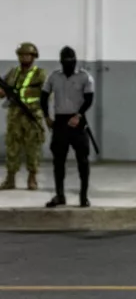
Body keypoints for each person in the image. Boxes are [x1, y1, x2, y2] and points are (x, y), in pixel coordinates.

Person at [40, 46, 95, 208]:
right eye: (65, 61)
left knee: (83, 161)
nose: (69, 63)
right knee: (58, 161)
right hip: (60, 122)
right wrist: (46, 117)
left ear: (75, 60)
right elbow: (43, 97)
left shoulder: (85, 76)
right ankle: (60, 195)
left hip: (78, 121)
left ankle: (83, 197)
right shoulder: (54, 76)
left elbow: (89, 99)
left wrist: (78, 115)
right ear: (61, 61)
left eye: (71, 60)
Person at [1, 42, 47, 190]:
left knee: (33, 147)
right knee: (12, 146)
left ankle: (32, 178)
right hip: (15, 115)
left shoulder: (40, 74)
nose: (24, 57)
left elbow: (47, 94)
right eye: (22, 55)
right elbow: (2, 92)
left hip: (32, 115)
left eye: (28, 55)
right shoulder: (12, 73)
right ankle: (10, 178)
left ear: (33, 57)